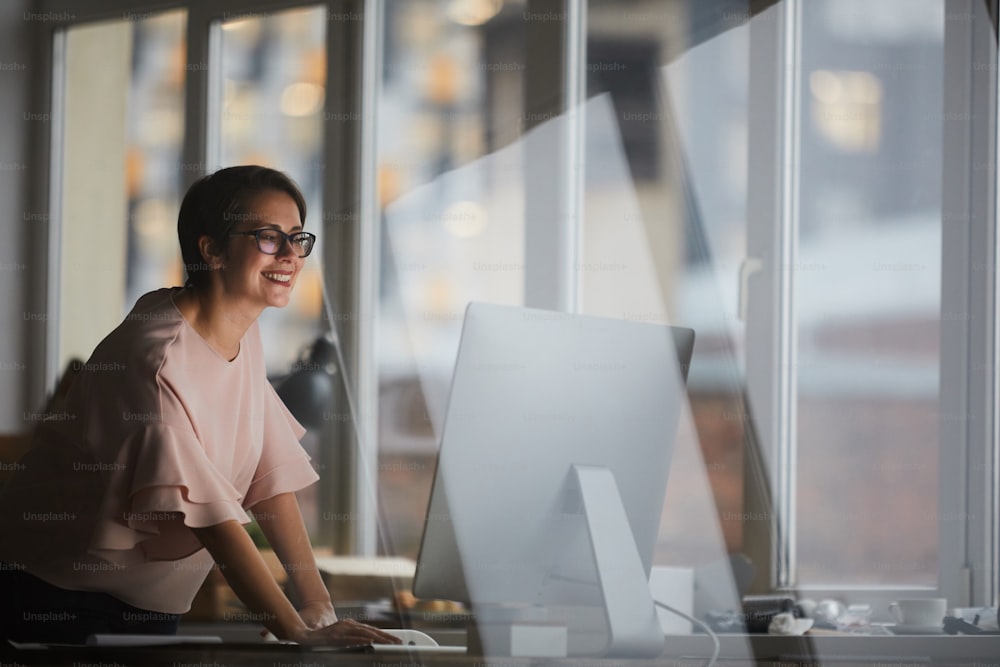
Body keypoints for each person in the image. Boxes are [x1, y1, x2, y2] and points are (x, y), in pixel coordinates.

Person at [0, 166, 400, 647]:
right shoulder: (156, 360)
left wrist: (315, 605)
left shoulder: (238, 330)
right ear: (210, 249)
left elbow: (269, 475)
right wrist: (292, 627)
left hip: (148, 605)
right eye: (270, 238)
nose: (292, 255)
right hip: (54, 599)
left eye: (297, 237)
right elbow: (213, 519)